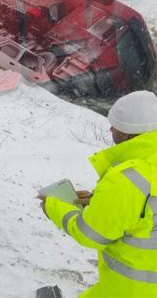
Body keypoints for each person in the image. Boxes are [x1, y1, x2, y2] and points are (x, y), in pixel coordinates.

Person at [40, 90, 157, 297]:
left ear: (129, 133)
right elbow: (146, 209)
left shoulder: (126, 178)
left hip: (131, 289)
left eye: (116, 125)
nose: (111, 128)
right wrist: (100, 201)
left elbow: (91, 234)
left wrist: (54, 206)